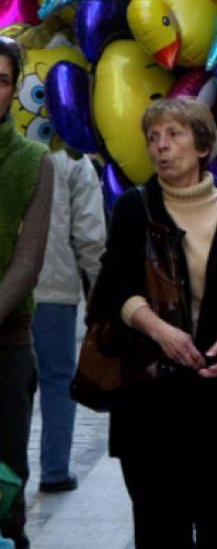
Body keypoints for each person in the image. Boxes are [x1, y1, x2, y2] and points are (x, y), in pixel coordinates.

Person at [90, 97, 217, 548]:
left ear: (203, 145)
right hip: (150, 394)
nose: (160, 147)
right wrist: (159, 330)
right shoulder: (134, 207)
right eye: (153, 138)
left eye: (173, 135)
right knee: (158, 530)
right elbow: (115, 286)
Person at [0, 36, 54, 549]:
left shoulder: (35, 160)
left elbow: (28, 258)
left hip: (8, 343)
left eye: (1, 80)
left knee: (6, 472)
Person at [32, 148, 105, 494]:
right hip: (53, 287)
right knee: (58, 379)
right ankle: (55, 470)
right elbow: (90, 232)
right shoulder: (71, 154)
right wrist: (98, 284)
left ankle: (8, 476)